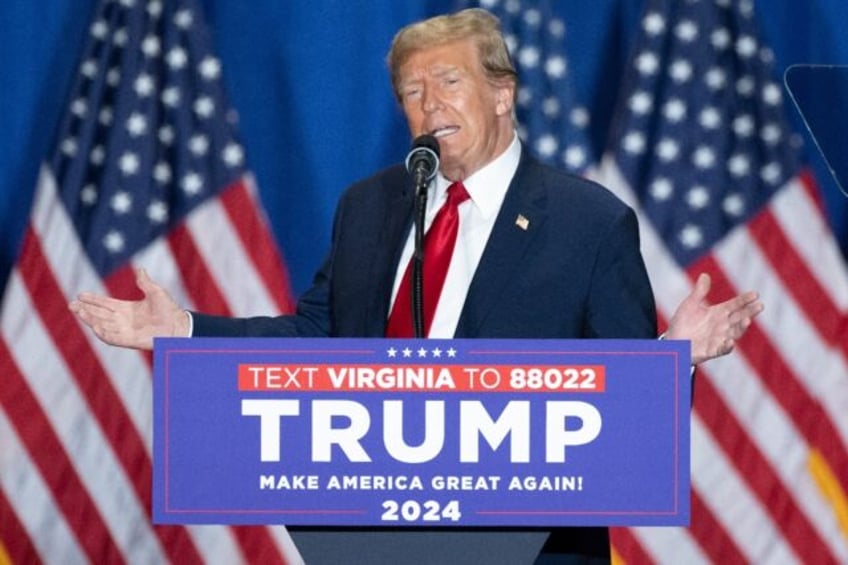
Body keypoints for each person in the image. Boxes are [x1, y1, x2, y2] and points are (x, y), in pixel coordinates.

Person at [70, 8, 762, 563]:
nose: (429, 105)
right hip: (379, 535)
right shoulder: (370, 207)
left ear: (502, 92)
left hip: (532, 545)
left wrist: (673, 356)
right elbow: (319, 335)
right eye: (412, 90)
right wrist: (187, 332)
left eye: (449, 82)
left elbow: (627, 413)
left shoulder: (589, 222)